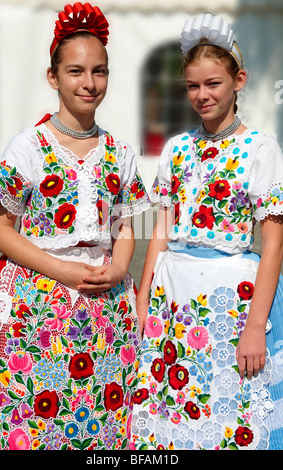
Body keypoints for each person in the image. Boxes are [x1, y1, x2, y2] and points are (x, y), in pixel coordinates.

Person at [0, 2, 149, 450]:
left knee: (99, 421)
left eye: (100, 71)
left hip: (105, 310)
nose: (89, 83)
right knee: (36, 423)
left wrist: (117, 269)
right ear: (53, 77)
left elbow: (125, 228)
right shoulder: (28, 148)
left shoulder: (119, 153)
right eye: (76, 71)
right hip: (36, 311)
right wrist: (63, 272)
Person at [130, 13, 283, 451]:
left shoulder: (261, 149)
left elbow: (273, 244)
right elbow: (162, 224)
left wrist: (256, 325)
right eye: (193, 86)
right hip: (170, 297)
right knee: (172, 413)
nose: (202, 95)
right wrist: (144, 297)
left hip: (229, 298)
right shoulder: (176, 148)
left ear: (239, 80)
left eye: (213, 83)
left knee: (228, 414)